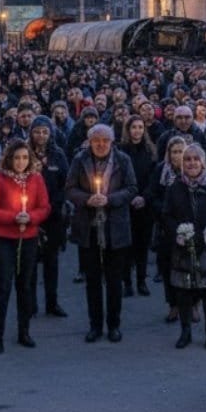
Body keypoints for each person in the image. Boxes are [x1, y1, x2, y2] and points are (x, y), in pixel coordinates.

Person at [66, 124, 137, 344]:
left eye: (105, 140)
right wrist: (87, 199)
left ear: (112, 142)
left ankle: (113, 325)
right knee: (93, 279)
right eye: (96, 140)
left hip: (114, 226)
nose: (101, 144)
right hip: (88, 227)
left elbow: (132, 188)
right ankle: (95, 325)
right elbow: (69, 188)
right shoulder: (80, 160)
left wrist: (111, 199)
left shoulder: (123, 160)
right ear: (89, 141)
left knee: (114, 280)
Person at [0, 139, 51, 354]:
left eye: (24, 158)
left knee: (25, 286)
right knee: (4, 286)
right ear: (9, 159)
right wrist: (13, 217)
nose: (20, 162)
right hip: (4, 238)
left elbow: (45, 206)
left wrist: (30, 217)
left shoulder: (36, 179)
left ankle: (24, 331)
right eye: (16, 158)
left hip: (28, 237)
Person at [162, 144, 206, 350]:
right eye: (188, 159)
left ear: (203, 162)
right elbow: (166, 214)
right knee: (183, 291)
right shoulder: (175, 186)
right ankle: (185, 331)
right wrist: (178, 233)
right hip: (182, 246)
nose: (192, 163)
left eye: (196, 159)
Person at [28, 116, 69, 317]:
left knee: (51, 262)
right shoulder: (24, 154)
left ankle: (52, 303)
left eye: (45, 131)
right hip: (30, 216)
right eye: (37, 131)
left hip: (53, 215)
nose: (41, 135)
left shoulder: (58, 155)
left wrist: (53, 206)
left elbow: (65, 184)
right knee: (31, 262)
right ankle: (31, 303)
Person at [147, 136, 188, 322]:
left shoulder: (193, 170)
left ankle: (192, 304)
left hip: (188, 226)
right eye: (174, 152)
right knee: (167, 268)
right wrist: (163, 210)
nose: (177, 156)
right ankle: (173, 304)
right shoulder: (160, 171)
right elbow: (151, 193)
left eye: (181, 152)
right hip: (166, 227)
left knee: (188, 268)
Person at [121, 115, 156, 297]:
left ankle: (141, 280)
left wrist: (144, 197)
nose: (137, 131)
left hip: (145, 204)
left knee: (142, 245)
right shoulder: (121, 151)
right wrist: (130, 196)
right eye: (134, 127)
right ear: (128, 130)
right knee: (127, 246)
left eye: (140, 127)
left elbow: (153, 178)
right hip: (126, 205)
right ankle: (126, 281)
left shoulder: (150, 151)